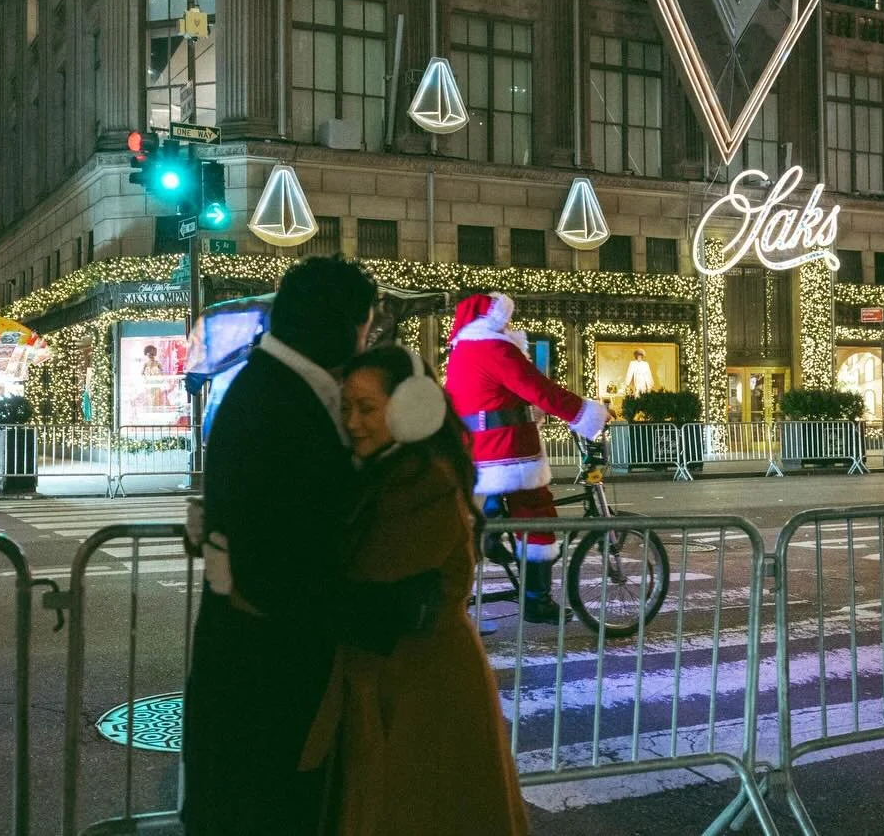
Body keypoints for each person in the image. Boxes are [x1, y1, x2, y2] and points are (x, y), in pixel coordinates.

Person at [181, 256, 439, 835]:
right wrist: (393, 613)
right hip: (268, 682)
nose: (367, 339)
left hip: (258, 675)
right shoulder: (280, 402)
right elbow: (278, 575)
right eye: (367, 325)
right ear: (346, 325)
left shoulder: (275, 386)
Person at [297, 345, 530, 836]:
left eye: (367, 408)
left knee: (424, 812)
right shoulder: (384, 470)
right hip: (396, 681)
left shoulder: (423, 480)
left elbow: (367, 579)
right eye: (346, 407)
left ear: (413, 409)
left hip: (423, 688)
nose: (353, 422)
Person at [444, 292, 610, 623]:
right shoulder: (495, 347)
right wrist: (587, 414)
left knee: (512, 508)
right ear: (493, 318)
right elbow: (540, 389)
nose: (509, 326)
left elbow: (492, 397)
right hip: (507, 451)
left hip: (477, 450)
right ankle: (537, 600)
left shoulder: (463, 350)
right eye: (505, 319)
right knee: (537, 513)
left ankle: (492, 523)